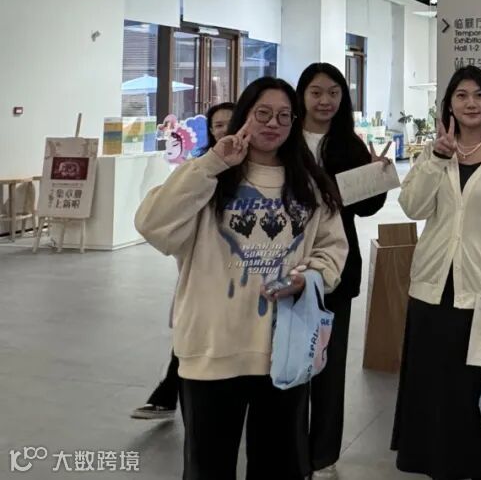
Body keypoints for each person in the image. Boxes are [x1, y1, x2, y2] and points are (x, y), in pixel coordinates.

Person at [135, 78, 347, 480]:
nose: (273, 124)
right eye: (262, 113)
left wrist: (310, 277)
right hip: (212, 348)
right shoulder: (210, 177)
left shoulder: (310, 183)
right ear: (244, 116)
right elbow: (153, 224)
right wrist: (214, 162)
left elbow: (332, 247)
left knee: (279, 467)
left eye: (284, 116)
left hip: (283, 351)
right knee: (208, 467)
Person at [392, 66, 481, 480]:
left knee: (474, 385)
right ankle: (438, 466)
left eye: (479, 95)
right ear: (449, 105)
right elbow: (413, 207)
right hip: (432, 290)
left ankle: (478, 468)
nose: (471, 103)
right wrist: (437, 159)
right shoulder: (435, 152)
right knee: (434, 386)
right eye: (461, 95)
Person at [297, 63, 393, 479]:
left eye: (334, 93)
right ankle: (291, 450)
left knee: (329, 364)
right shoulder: (285, 139)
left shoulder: (349, 143)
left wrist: (376, 177)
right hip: (285, 265)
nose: (325, 101)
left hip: (337, 266)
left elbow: (365, 208)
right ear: (302, 95)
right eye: (317, 92)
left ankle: (323, 455)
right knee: (287, 363)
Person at [131, 101, 235, 421]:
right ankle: (170, 396)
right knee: (192, 338)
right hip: (201, 278)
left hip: (239, 281)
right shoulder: (198, 169)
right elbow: (158, 221)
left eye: (231, 123)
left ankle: (170, 395)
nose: (225, 130)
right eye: (218, 125)